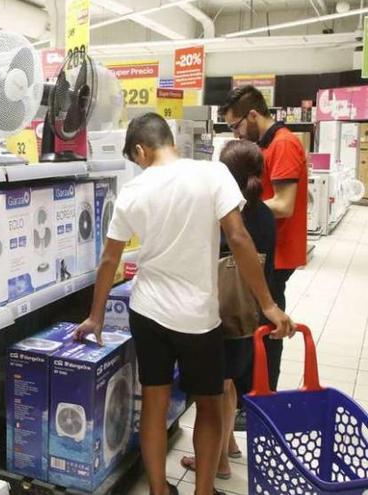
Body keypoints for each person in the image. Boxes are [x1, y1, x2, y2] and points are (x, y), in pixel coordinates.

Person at [75, 113, 293, 495]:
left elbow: (109, 260)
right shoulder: (212, 174)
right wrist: (269, 305)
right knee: (209, 405)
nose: (138, 166)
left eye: (135, 159)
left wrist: (95, 317)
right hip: (197, 318)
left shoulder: (133, 192)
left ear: (141, 150)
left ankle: (159, 490)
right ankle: (203, 491)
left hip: (147, 312)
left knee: (155, 402)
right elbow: (240, 239)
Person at [179, 140, 277, 480]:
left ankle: (217, 461)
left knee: (216, 388)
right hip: (249, 315)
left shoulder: (228, 216)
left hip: (223, 313)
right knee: (231, 379)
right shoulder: (264, 213)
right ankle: (230, 444)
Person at [220, 86, 308, 428]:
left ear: (252, 116)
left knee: (268, 326)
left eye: (236, 126)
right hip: (261, 248)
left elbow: (284, 204)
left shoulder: (284, 144)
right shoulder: (266, 145)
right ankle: (249, 400)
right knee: (255, 323)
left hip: (276, 252)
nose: (237, 133)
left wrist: (236, 210)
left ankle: (262, 400)